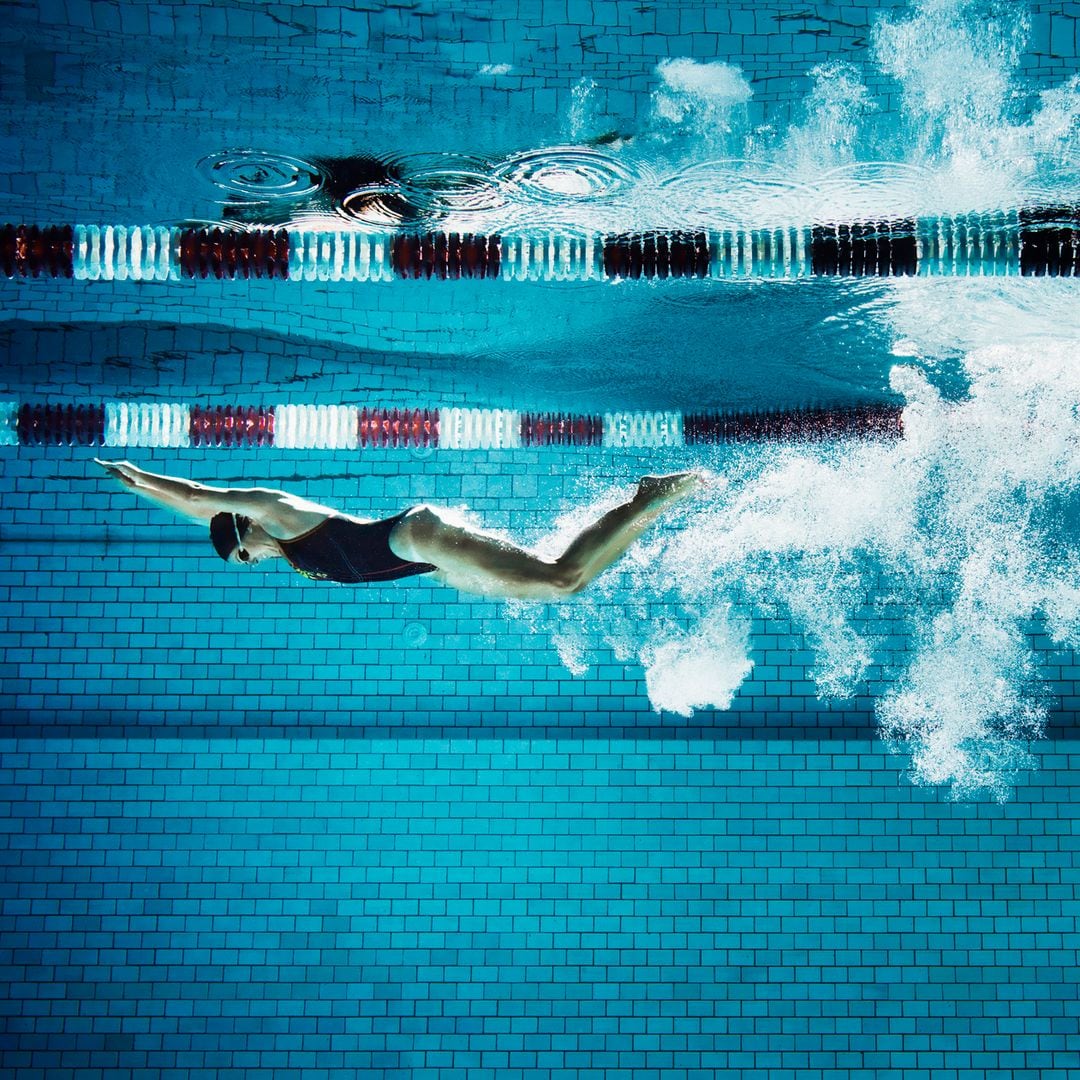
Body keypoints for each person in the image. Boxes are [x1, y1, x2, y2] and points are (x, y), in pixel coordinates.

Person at [95, 459, 703, 601]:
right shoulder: (292, 555)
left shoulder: (277, 513)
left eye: (243, 556)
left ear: (242, 528)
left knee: (561, 580)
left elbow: (203, 498)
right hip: (430, 562)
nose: (253, 562)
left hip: (417, 539)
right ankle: (643, 515)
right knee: (562, 589)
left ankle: (645, 501)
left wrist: (142, 481)